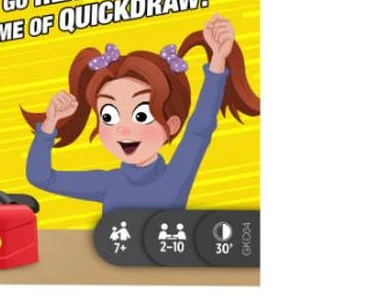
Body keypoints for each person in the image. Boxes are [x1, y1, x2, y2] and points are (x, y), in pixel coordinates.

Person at [22, 14, 259, 212]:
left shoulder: (175, 176)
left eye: (141, 115)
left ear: (172, 125)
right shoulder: (108, 183)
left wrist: (218, 60)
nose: (122, 129)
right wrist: (51, 123)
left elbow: (200, 128)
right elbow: (42, 178)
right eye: (108, 116)